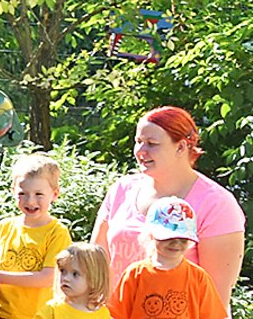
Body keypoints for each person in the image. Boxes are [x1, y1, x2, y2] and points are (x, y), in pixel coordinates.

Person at [93, 106, 245, 307]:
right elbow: (95, 262)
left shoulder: (217, 204)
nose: (141, 151)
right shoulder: (121, 189)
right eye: (138, 142)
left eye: (152, 144)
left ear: (181, 147)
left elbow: (216, 296)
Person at [0, 154, 68, 319]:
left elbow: (47, 278)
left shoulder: (57, 233)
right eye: (22, 194)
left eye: (38, 194)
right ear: (13, 191)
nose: (30, 201)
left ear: (54, 194)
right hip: (0, 318)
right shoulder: (3, 228)